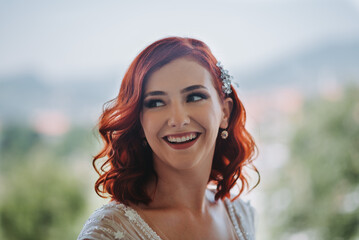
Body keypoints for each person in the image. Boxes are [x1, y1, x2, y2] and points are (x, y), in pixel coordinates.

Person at [78, 36, 259, 240]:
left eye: (194, 97)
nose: (178, 119)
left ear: (225, 112)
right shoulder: (108, 233)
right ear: (139, 123)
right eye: (156, 103)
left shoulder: (241, 214)